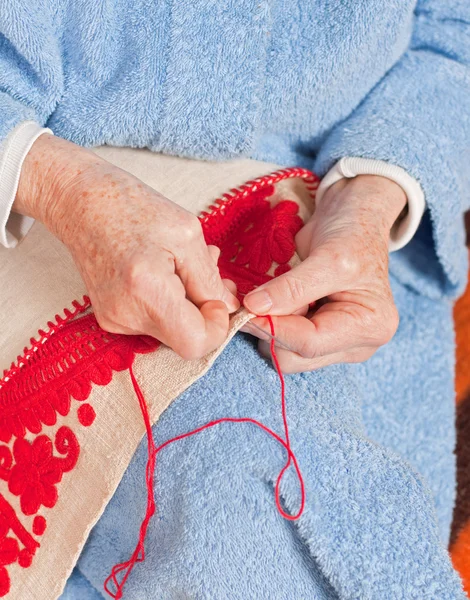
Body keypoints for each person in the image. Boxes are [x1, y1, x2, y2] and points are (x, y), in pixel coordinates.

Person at [1, 1, 469, 598]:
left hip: (330, 214)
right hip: (27, 208)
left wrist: (374, 195)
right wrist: (51, 182)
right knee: (233, 514)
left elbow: (455, 33)